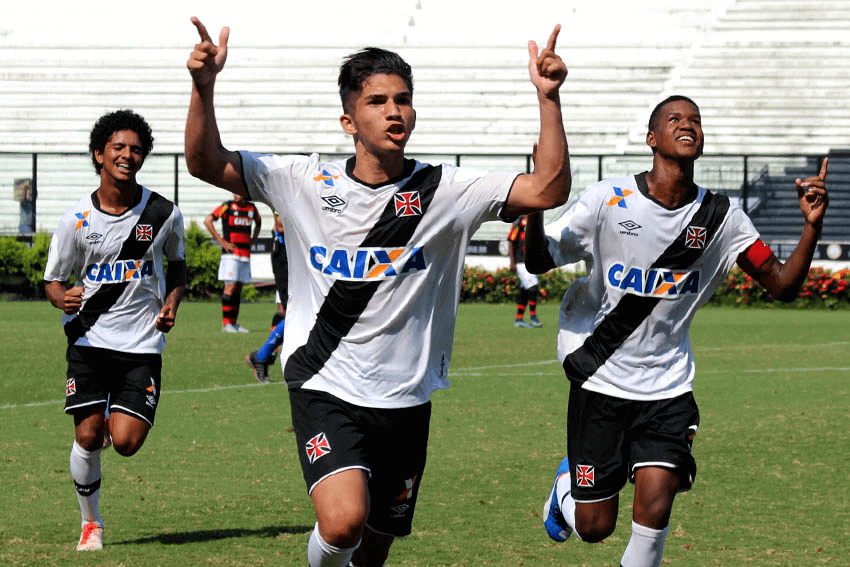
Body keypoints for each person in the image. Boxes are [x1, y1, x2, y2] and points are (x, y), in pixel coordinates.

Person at [186, 16, 570, 567]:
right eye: (377, 101)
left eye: (403, 99)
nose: (395, 110)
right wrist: (204, 86)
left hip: (406, 398)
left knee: (375, 544)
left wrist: (549, 99)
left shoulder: (446, 189)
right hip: (324, 383)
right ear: (349, 120)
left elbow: (548, 188)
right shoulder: (300, 180)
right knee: (342, 524)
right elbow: (205, 162)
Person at [526, 95, 829, 567]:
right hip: (600, 379)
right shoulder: (608, 200)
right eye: (675, 119)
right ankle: (566, 491)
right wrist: (534, 202)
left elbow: (782, 284)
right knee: (594, 528)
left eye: (695, 120)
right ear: (652, 138)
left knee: (654, 509)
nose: (688, 125)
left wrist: (811, 226)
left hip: (668, 386)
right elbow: (538, 259)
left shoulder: (723, 219)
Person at [43, 109, 187, 552]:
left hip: (141, 345)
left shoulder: (163, 212)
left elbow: (178, 267)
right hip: (87, 340)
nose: (128, 155)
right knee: (87, 435)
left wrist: (171, 302)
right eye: (118, 148)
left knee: (124, 443)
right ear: (99, 154)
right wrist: (60, 297)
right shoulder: (75, 220)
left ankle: (110, 418)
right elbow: (53, 280)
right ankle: (92, 524)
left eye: (136, 149)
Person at [204, 192, 262, 332]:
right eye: (234, 192)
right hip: (231, 255)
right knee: (229, 286)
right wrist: (222, 242)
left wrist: (253, 239)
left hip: (245, 254)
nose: (236, 195)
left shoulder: (251, 208)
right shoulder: (227, 206)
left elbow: (259, 223)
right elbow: (208, 220)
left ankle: (234, 323)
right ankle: (226, 323)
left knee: (238, 288)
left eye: (238, 192)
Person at [247, 212, 288, 383]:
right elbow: (281, 226)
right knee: (295, 313)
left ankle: (262, 356)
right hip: (285, 255)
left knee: (294, 313)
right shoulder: (286, 192)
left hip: (302, 256)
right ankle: (262, 356)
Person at [507, 215, 543, 327]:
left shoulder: (534, 223)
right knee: (533, 287)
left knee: (525, 290)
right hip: (520, 262)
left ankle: (519, 319)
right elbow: (511, 242)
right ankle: (533, 317)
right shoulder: (519, 224)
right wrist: (512, 262)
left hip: (530, 263)